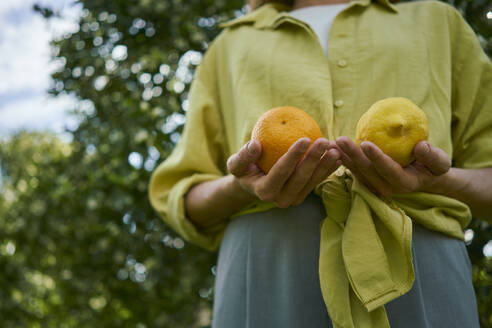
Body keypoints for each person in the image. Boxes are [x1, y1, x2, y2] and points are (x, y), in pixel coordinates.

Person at [148, 0, 492, 327]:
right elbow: (184, 197)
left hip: (418, 263)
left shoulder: (436, 20)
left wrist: (437, 181)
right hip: (268, 268)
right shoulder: (230, 44)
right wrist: (240, 186)